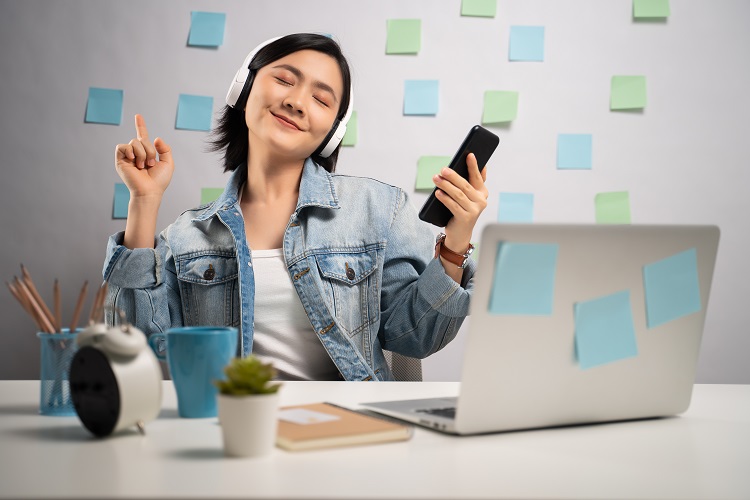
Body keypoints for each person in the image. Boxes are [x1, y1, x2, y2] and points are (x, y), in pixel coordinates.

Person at [103, 33, 488, 381]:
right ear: (244, 89)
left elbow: (415, 337)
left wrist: (455, 243)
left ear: (333, 131)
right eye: (284, 80)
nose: (296, 102)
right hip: (236, 428)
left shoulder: (377, 210)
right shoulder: (187, 236)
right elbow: (135, 349)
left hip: (348, 432)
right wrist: (145, 202)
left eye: (321, 99)